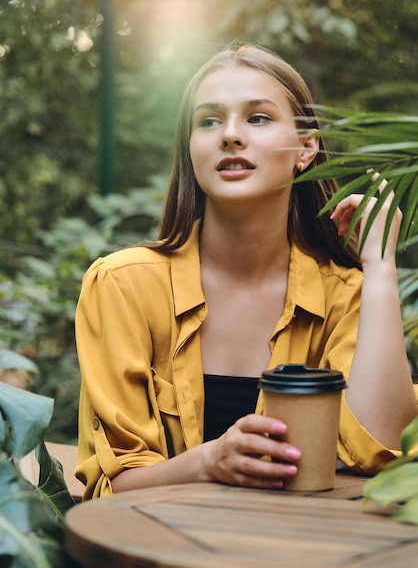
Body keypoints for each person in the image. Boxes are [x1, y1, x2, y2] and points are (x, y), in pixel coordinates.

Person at [75, 43, 417, 499]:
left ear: (306, 148)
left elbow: (384, 451)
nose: (230, 136)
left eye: (257, 118)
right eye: (209, 120)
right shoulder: (121, 284)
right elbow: (111, 485)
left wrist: (380, 270)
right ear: (191, 150)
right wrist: (207, 462)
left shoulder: (346, 295)